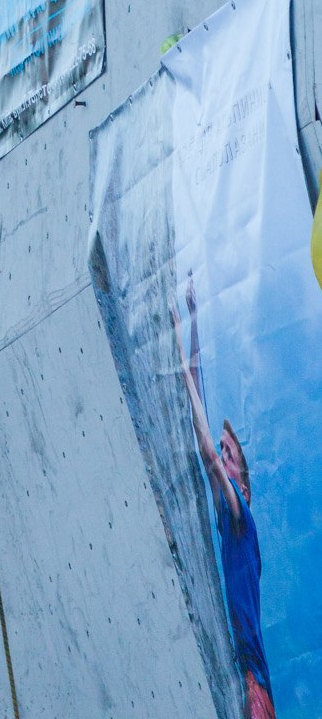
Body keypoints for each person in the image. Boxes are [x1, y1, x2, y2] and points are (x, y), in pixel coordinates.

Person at [171, 277, 275, 719]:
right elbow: (201, 396)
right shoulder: (228, 518)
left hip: (253, 684)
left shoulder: (242, 516)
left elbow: (207, 451)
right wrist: (191, 321)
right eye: (228, 450)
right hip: (247, 678)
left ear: (244, 488)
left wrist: (175, 357)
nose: (223, 453)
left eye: (233, 456)